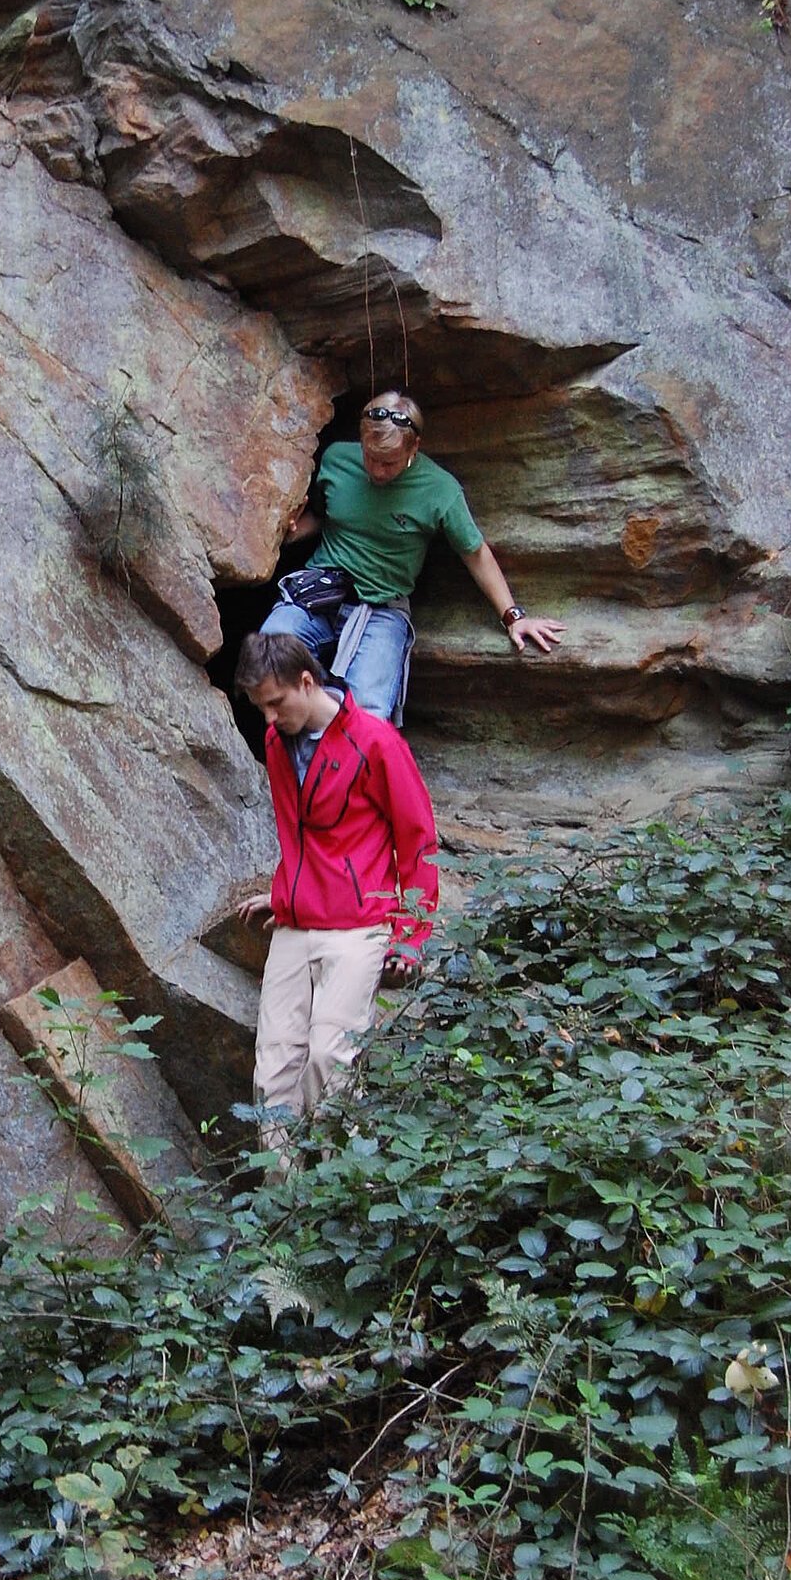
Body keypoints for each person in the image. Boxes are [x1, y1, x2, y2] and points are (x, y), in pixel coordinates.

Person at [234, 629, 439, 1125]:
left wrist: (411, 937)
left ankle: (332, 1192)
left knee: (330, 1059)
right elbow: (304, 833)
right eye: (261, 707)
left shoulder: (376, 742)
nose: (269, 717)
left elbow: (418, 842)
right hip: (296, 923)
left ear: (307, 682)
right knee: (272, 1075)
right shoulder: (276, 741)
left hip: (358, 925)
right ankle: (283, 1199)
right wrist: (284, 892)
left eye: (276, 703)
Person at [261, 391, 564, 722]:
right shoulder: (336, 460)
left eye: (389, 462)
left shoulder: (440, 490)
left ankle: (338, 735)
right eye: (370, 457)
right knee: (271, 655)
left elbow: (475, 554)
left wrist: (514, 617)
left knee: (369, 714)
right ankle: (318, 727)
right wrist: (288, 532)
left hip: (382, 607)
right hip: (321, 589)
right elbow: (321, 517)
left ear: (414, 447)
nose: (377, 470)